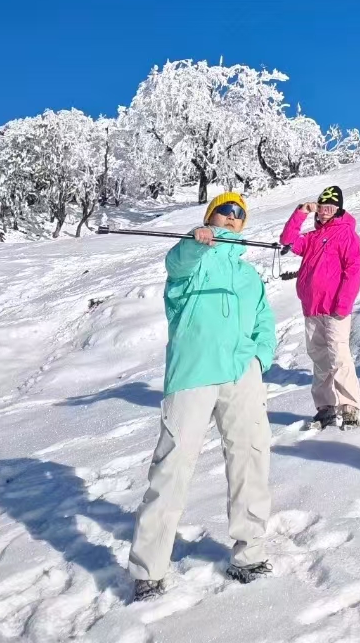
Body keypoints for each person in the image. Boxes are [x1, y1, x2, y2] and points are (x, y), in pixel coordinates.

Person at [129, 192, 276, 601]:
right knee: (173, 465)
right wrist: (195, 243)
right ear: (210, 217)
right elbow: (176, 266)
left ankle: (250, 554)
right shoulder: (191, 261)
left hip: (241, 374)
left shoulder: (248, 276)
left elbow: (264, 321)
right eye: (223, 211)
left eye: (238, 214)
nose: (231, 217)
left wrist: (259, 358)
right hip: (193, 373)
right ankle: (149, 569)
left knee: (250, 458)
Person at [280, 184, 360, 427]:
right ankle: (325, 406)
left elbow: (354, 269)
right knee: (319, 358)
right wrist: (301, 212)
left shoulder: (346, 233)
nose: (325, 211)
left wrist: (344, 302)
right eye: (322, 206)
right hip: (312, 307)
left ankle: (349, 406)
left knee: (339, 356)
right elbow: (287, 240)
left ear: (339, 210)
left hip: (335, 308)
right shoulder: (312, 237)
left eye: (331, 207)